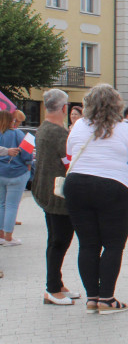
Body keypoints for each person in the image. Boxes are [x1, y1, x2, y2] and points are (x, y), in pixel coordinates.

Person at [64, 84, 128, 314]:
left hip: (77, 184)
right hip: (111, 186)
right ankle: (107, 298)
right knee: (113, 244)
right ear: (116, 104)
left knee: (88, 244)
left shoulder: (79, 125)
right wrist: (122, 182)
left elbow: (70, 153)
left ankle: (92, 297)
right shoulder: (123, 127)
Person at [31, 89, 80, 305]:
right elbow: (70, 163)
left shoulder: (43, 128)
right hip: (58, 195)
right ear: (63, 108)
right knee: (59, 241)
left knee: (55, 239)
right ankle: (52, 288)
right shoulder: (58, 133)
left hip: (45, 191)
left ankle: (57, 284)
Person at [0, 109, 33, 246]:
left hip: (1, 173)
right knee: (12, 205)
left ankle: (1, 235)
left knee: (1, 204)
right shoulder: (18, 134)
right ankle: (9, 237)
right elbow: (28, 153)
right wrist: (28, 165)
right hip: (17, 173)